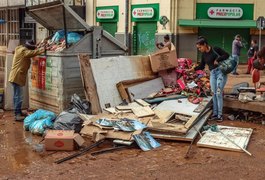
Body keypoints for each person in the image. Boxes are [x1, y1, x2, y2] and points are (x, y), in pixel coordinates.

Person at [190, 36, 229, 122]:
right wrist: (193, 69)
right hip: (213, 74)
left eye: (200, 47)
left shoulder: (215, 49)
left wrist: (218, 59)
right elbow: (202, 66)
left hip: (221, 73)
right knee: (214, 94)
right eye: (198, 48)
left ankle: (220, 115)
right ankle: (215, 114)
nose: (199, 49)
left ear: (205, 44)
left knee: (218, 93)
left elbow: (226, 55)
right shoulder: (203, 55)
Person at [8, 40, 44, 121]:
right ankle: (17, 115)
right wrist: (42, 49)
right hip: (17, 76)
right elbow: (30, 53)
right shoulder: (23, 51)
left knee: (17, 96)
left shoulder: (19, 48)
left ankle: (18, 112)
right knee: (18, 97)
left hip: (15, 76)